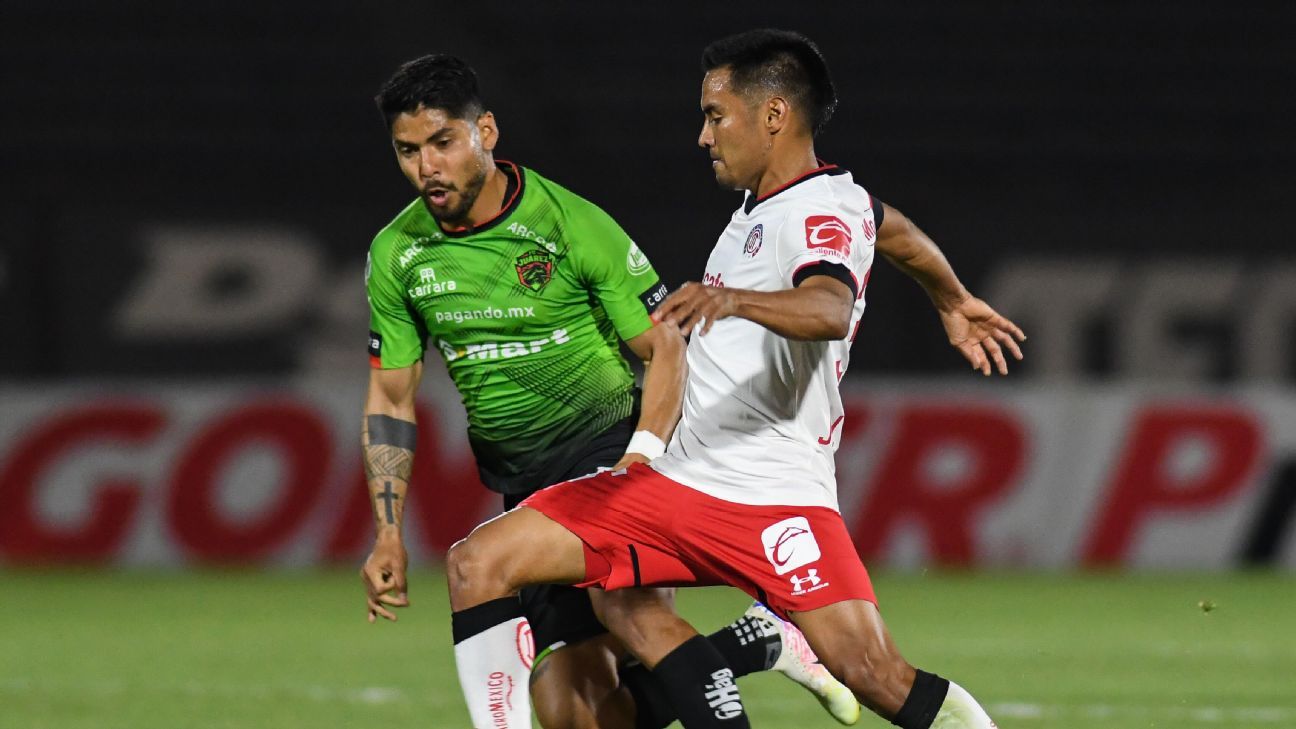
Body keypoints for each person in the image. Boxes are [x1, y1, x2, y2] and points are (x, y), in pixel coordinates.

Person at [444, 30, 1026, 729]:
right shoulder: (788, 205)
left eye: (716, 115)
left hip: (771, 496)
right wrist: (951, 297)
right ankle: (757, 643)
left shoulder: (815, 210)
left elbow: (829, 308)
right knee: (480, 565)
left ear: (773, 115)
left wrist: (734, 300)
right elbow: (887, 225)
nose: (703, 135)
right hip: (676, 480)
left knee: (876, 675)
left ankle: (778, 645)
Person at [357, 54, 860, 729]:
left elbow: (665, 347)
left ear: (486, 132)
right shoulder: (398, 253)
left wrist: (640, 458)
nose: (427, 167)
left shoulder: (569, 223)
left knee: (627, 611)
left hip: (606, 450)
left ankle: (752, 648)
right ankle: (758, 642)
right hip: (524, 483)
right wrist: (388, 532)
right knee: (579, 713)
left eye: (442, 142)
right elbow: (391, 398)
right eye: (408, 150)